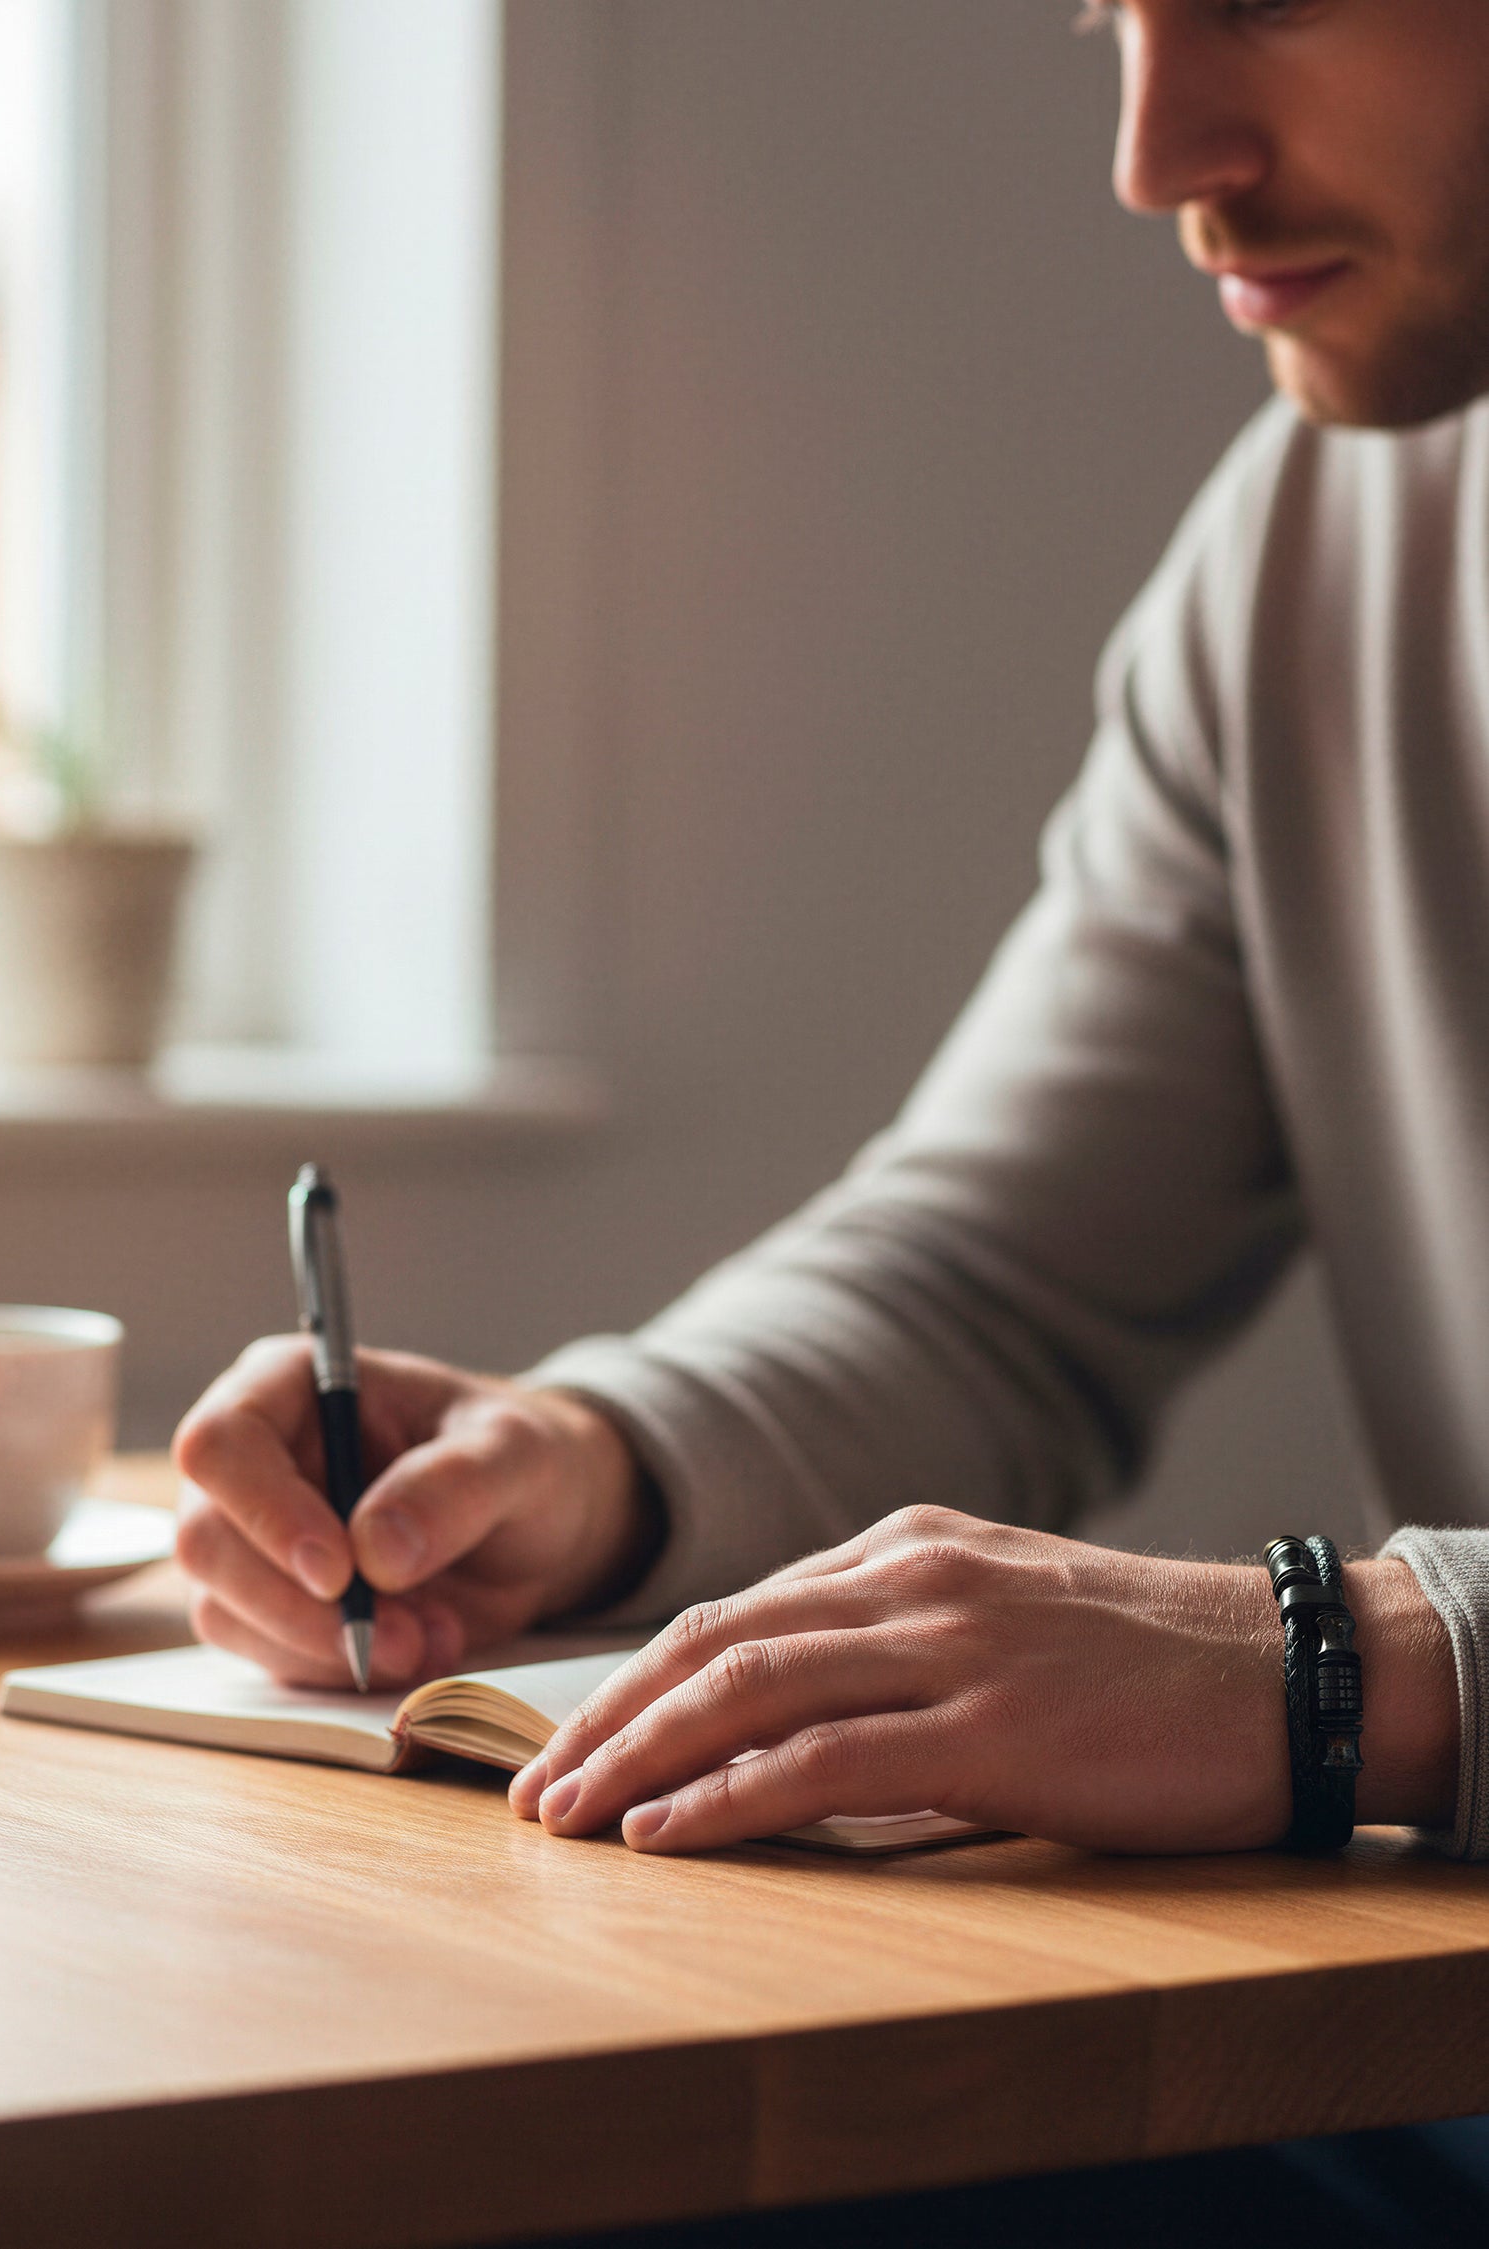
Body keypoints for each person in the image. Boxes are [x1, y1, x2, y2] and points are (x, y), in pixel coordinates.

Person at [175, 0, 1487, 1875]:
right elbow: (998, 1284)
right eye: (1111, 18)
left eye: (1265, 1)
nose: (1154, 156)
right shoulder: (1315, 547)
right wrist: (600, 1462)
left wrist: (1336, 1664)